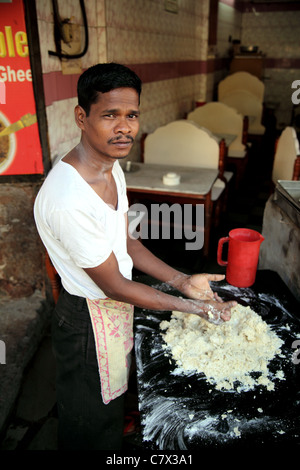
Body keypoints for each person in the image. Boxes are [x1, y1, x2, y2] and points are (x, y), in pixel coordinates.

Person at [34, 63, 236, 450]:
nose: (124, 127)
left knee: (111, 405)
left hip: (114, 305)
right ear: (81, 117)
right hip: (86, 322)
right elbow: (113, 284)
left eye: (131, 115)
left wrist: (182, 280)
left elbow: (127, 243)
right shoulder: (69, 199)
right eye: (109, 115)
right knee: (88, 426)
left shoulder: (111, 167)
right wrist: (195, 309)